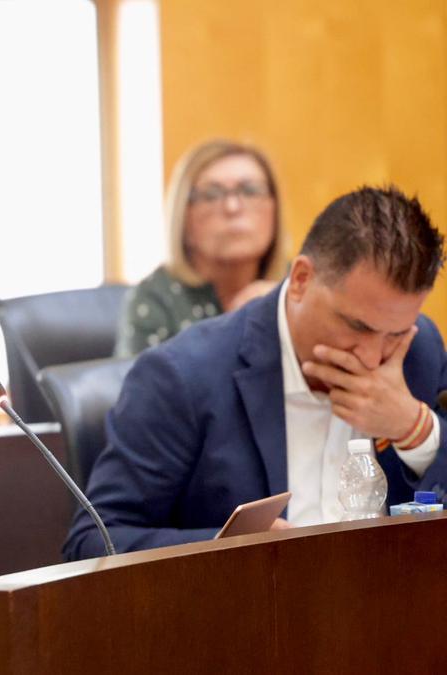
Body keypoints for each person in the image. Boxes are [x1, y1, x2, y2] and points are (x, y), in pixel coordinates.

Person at [65, 185, 447, 560]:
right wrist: (223, 546)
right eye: (358, 327)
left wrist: (416, 430)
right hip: (249, 613)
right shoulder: (183, 376)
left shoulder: (420, 349)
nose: (371, 355)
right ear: (300, 280)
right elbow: (94, 542)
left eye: (394, 333)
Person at [116, 140, 289, 356]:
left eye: (251, 190)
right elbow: (139, 388)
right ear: (183, 215)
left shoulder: (301, 286)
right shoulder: (155, 299)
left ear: (275, 207)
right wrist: (233, 331)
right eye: (211, 194)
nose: (232, 207)